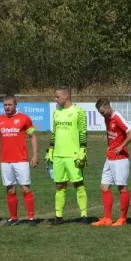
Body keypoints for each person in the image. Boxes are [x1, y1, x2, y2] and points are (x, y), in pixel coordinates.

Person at [0, 95, 39, 226]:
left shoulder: (25, 118)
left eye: (10, 105)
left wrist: (35, 155)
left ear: (15, 104)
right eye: (5, 105)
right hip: (5, 161)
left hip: (21, 159)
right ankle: (13, 218)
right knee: (10, 189)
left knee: (25, 188)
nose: (7, 107)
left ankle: (31, 218)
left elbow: (33, 136)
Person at [44, 86, 89, 225]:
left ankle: (84, 215)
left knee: (78, 184)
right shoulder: (56, 112)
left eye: (57, 97)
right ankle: (58, 216)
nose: (55, 99)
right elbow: (54, 133)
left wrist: (83, 150)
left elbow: (83, 133)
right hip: (58, 156)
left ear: (66, 97)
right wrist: (50, 149)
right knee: (59, 186)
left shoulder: (78, 112)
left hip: (73, 155)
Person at [92, 99, 131, 227]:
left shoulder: (117, 117)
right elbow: (112, 135)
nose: (102, 115)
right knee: (104, 187)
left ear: (108, 107)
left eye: (103, 112)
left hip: (120, 159)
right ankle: (107, 218)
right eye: (100, 113)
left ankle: (123, 218)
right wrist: (109, 146)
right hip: (110, 157)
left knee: (122, 188)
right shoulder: (107, 118)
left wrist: (122, 146)